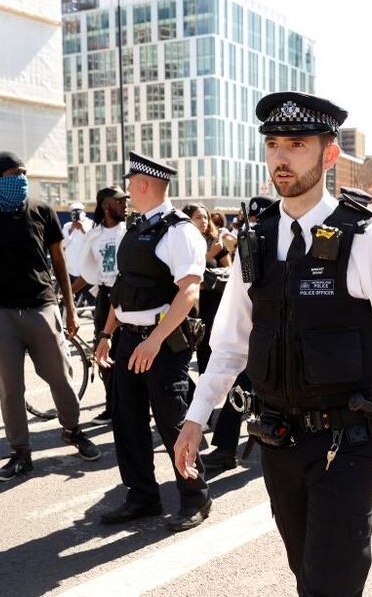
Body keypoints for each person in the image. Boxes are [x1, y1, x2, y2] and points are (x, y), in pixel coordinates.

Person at [174, 91, 372, 596]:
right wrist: (196, 416)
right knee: (305, 573)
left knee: (331, 584)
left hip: (346, 443)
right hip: (278, 443)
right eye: (273, 144)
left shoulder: (366, 238)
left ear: (329, 154)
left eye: (297, 144)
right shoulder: (255, 241)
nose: (281, 156)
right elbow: (229, 345)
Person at [94, 151, 210, 532]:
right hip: (128, 340)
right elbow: (121, 289)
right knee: (127, 424)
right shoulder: (135, 229)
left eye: (130, 184)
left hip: (161, 346)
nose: (127, 191)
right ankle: (142, 496)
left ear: (144, 185)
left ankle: (195, 496)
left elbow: (189, 293)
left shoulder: (180, 231)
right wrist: (107, 334)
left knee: (174, 423)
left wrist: (154, 341)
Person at [0, 151, 100, 481]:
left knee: (62, 379)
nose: (21, 178)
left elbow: (60, 264)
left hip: (42, 306)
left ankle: (72, 430)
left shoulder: (41, 210)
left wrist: (70, 310)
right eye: (14, 173)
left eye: (24, 172)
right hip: (0, 312)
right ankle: (20, 453)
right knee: (10, 388)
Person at [183, 202, 243, 472]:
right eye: (198, 217)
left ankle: (226, 446)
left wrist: (222, 251)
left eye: (205, 217)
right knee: (208, 367)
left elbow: (231, 276)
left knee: (236, 383)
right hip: (196, 314)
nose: (204, 221)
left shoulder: (217, 241)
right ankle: (207, 418)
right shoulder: (184, 241)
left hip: (217, 309)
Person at [72, 185, 129, 425]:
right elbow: (88, 272)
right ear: (106, 205)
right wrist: (66, 294)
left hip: (129, 297)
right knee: (104, 355)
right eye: (119, 201)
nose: (125, 204)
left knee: (129, 354)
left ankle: (133, 407)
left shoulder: (130, 231)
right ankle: (112, 407)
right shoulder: (94, 235)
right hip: (106, 299)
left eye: (125, 200)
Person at [62, 202, 95, 307]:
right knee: (68, 301)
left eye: (77, 212)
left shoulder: (91, 224)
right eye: (73, 212)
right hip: (71, 270)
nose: (75, 215)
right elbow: (62, 244)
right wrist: (70, 230)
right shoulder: (67, 226)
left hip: (86, 272)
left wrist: (83, 230)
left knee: (93, 301)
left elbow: (93, 242)